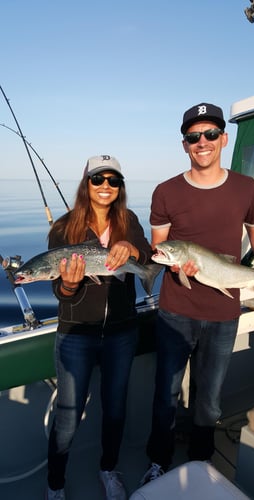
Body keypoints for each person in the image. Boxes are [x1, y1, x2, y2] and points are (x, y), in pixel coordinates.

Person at [140, 103, 254, 484]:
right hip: (175, 310)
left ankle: (201, 461)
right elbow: (159, 245)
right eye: (193, 137)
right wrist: (175, 265)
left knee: (210, 399)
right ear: (184, 144)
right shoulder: (166, 191)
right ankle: (159, 459)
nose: (202, 142)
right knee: (165, 394)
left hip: (223, 311)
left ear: (224, 139)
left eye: (210, 134)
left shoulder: (245, 187)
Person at [46, 155, 153, 500]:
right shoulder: (63, 229)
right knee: (67, 415)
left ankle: (109, 469)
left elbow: (148, 256)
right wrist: (69, 285)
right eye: (98, 179)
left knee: (116, 407)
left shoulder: (129, 219)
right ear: (86, 182)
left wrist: (132, 246)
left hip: (122, 332)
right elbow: (59, 294)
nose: (105, 185)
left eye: (113, 180)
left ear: (120, 186)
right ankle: (55, 484)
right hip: (76, 332)